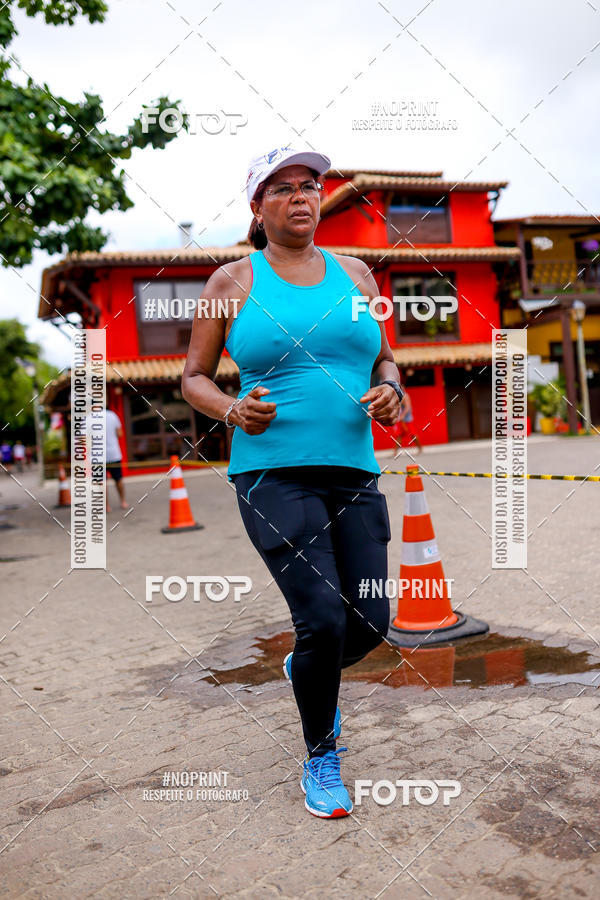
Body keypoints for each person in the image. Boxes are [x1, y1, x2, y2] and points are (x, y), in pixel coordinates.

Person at [182, 144, 404, 819]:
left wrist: (392, 390)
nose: (301, 196)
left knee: (371, 621)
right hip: (272, 475)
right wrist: (231, 409)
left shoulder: (358, 275)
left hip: (354, 473)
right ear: (258, 207)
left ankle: (307, 665)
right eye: (282, 188)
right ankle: (320, 758)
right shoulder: (230, 282)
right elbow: (193, 378)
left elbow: (386, 361)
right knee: (323, 619)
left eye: (310, 185)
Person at [104, 407, 128, 511]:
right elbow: (120, 434)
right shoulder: (112, 415)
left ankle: (106, 506)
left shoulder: (87, 418)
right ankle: (123, 501)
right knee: (118, 479)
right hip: (113, 454)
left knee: (101, 482)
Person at [391, 389, 422, 454]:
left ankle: (420, 449)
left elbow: (407, 407)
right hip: (401, 419)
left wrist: (402, 415)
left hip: (407, 419)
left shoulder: (405, 396)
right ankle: (395, 452)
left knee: (413, 435)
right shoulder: (398, 395)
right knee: (399, 435)